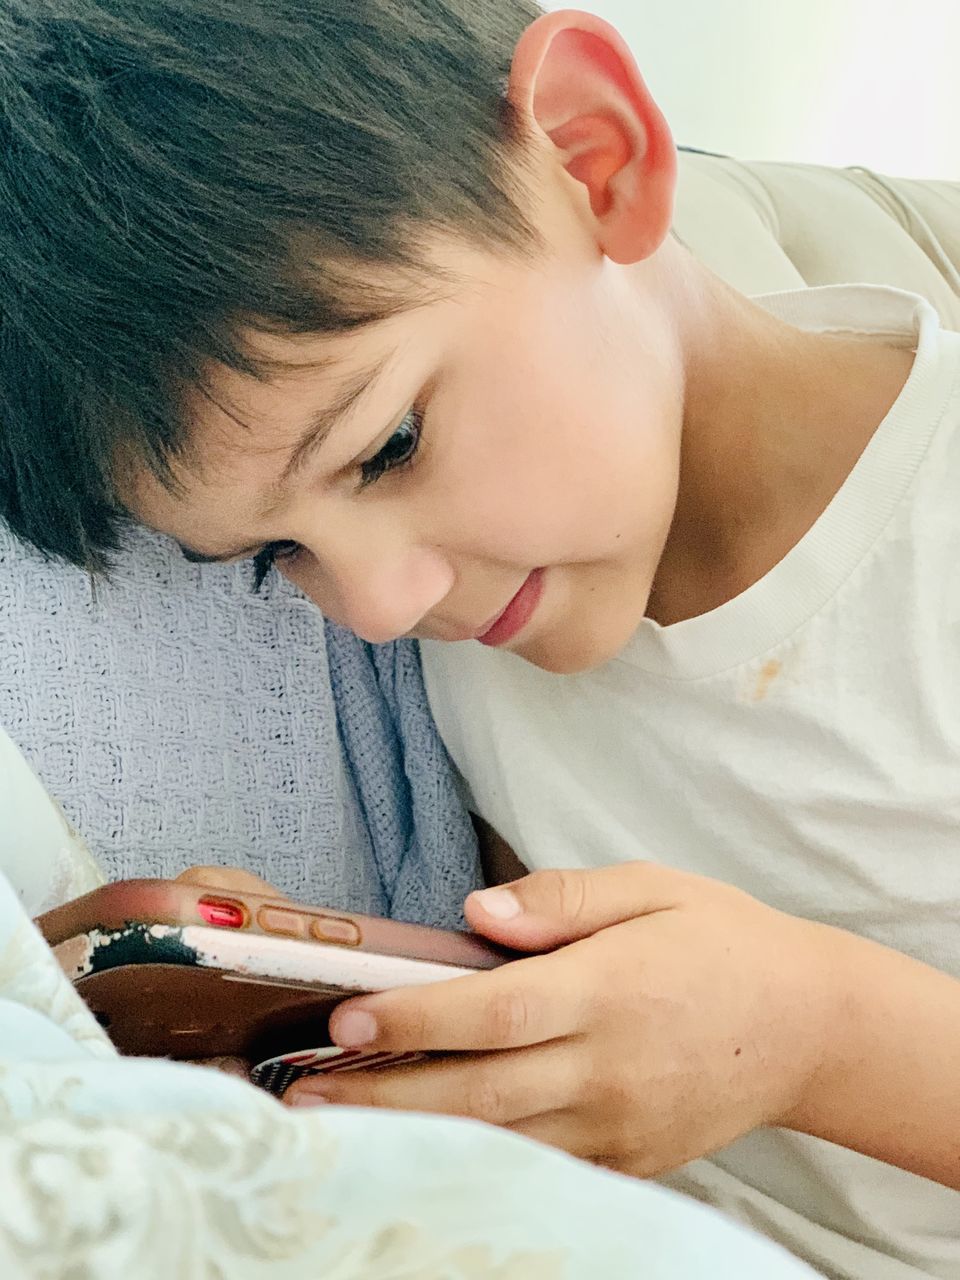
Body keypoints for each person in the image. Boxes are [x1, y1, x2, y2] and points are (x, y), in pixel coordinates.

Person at [1, 2, 958, 1277]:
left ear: (588, 155)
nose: (379, 610)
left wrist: (817, 1034)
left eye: (388, 446)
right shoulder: (499, 606)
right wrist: (370, 1021)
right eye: (277, 557)